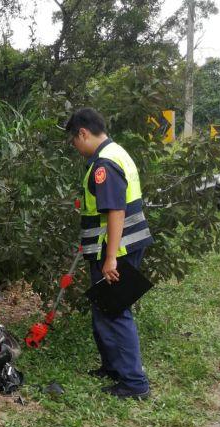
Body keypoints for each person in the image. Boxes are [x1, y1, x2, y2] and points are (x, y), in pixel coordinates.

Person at [65, 107, 152, 399]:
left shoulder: (104, 164)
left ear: (83, 133)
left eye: (74, 141)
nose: (76, 148)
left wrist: (111, 258)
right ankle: (113, 367)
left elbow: (116, 210)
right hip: (120, 245)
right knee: (105, 309)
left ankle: (134, 383)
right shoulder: (117, 152)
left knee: (115, 312)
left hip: (117, 249)